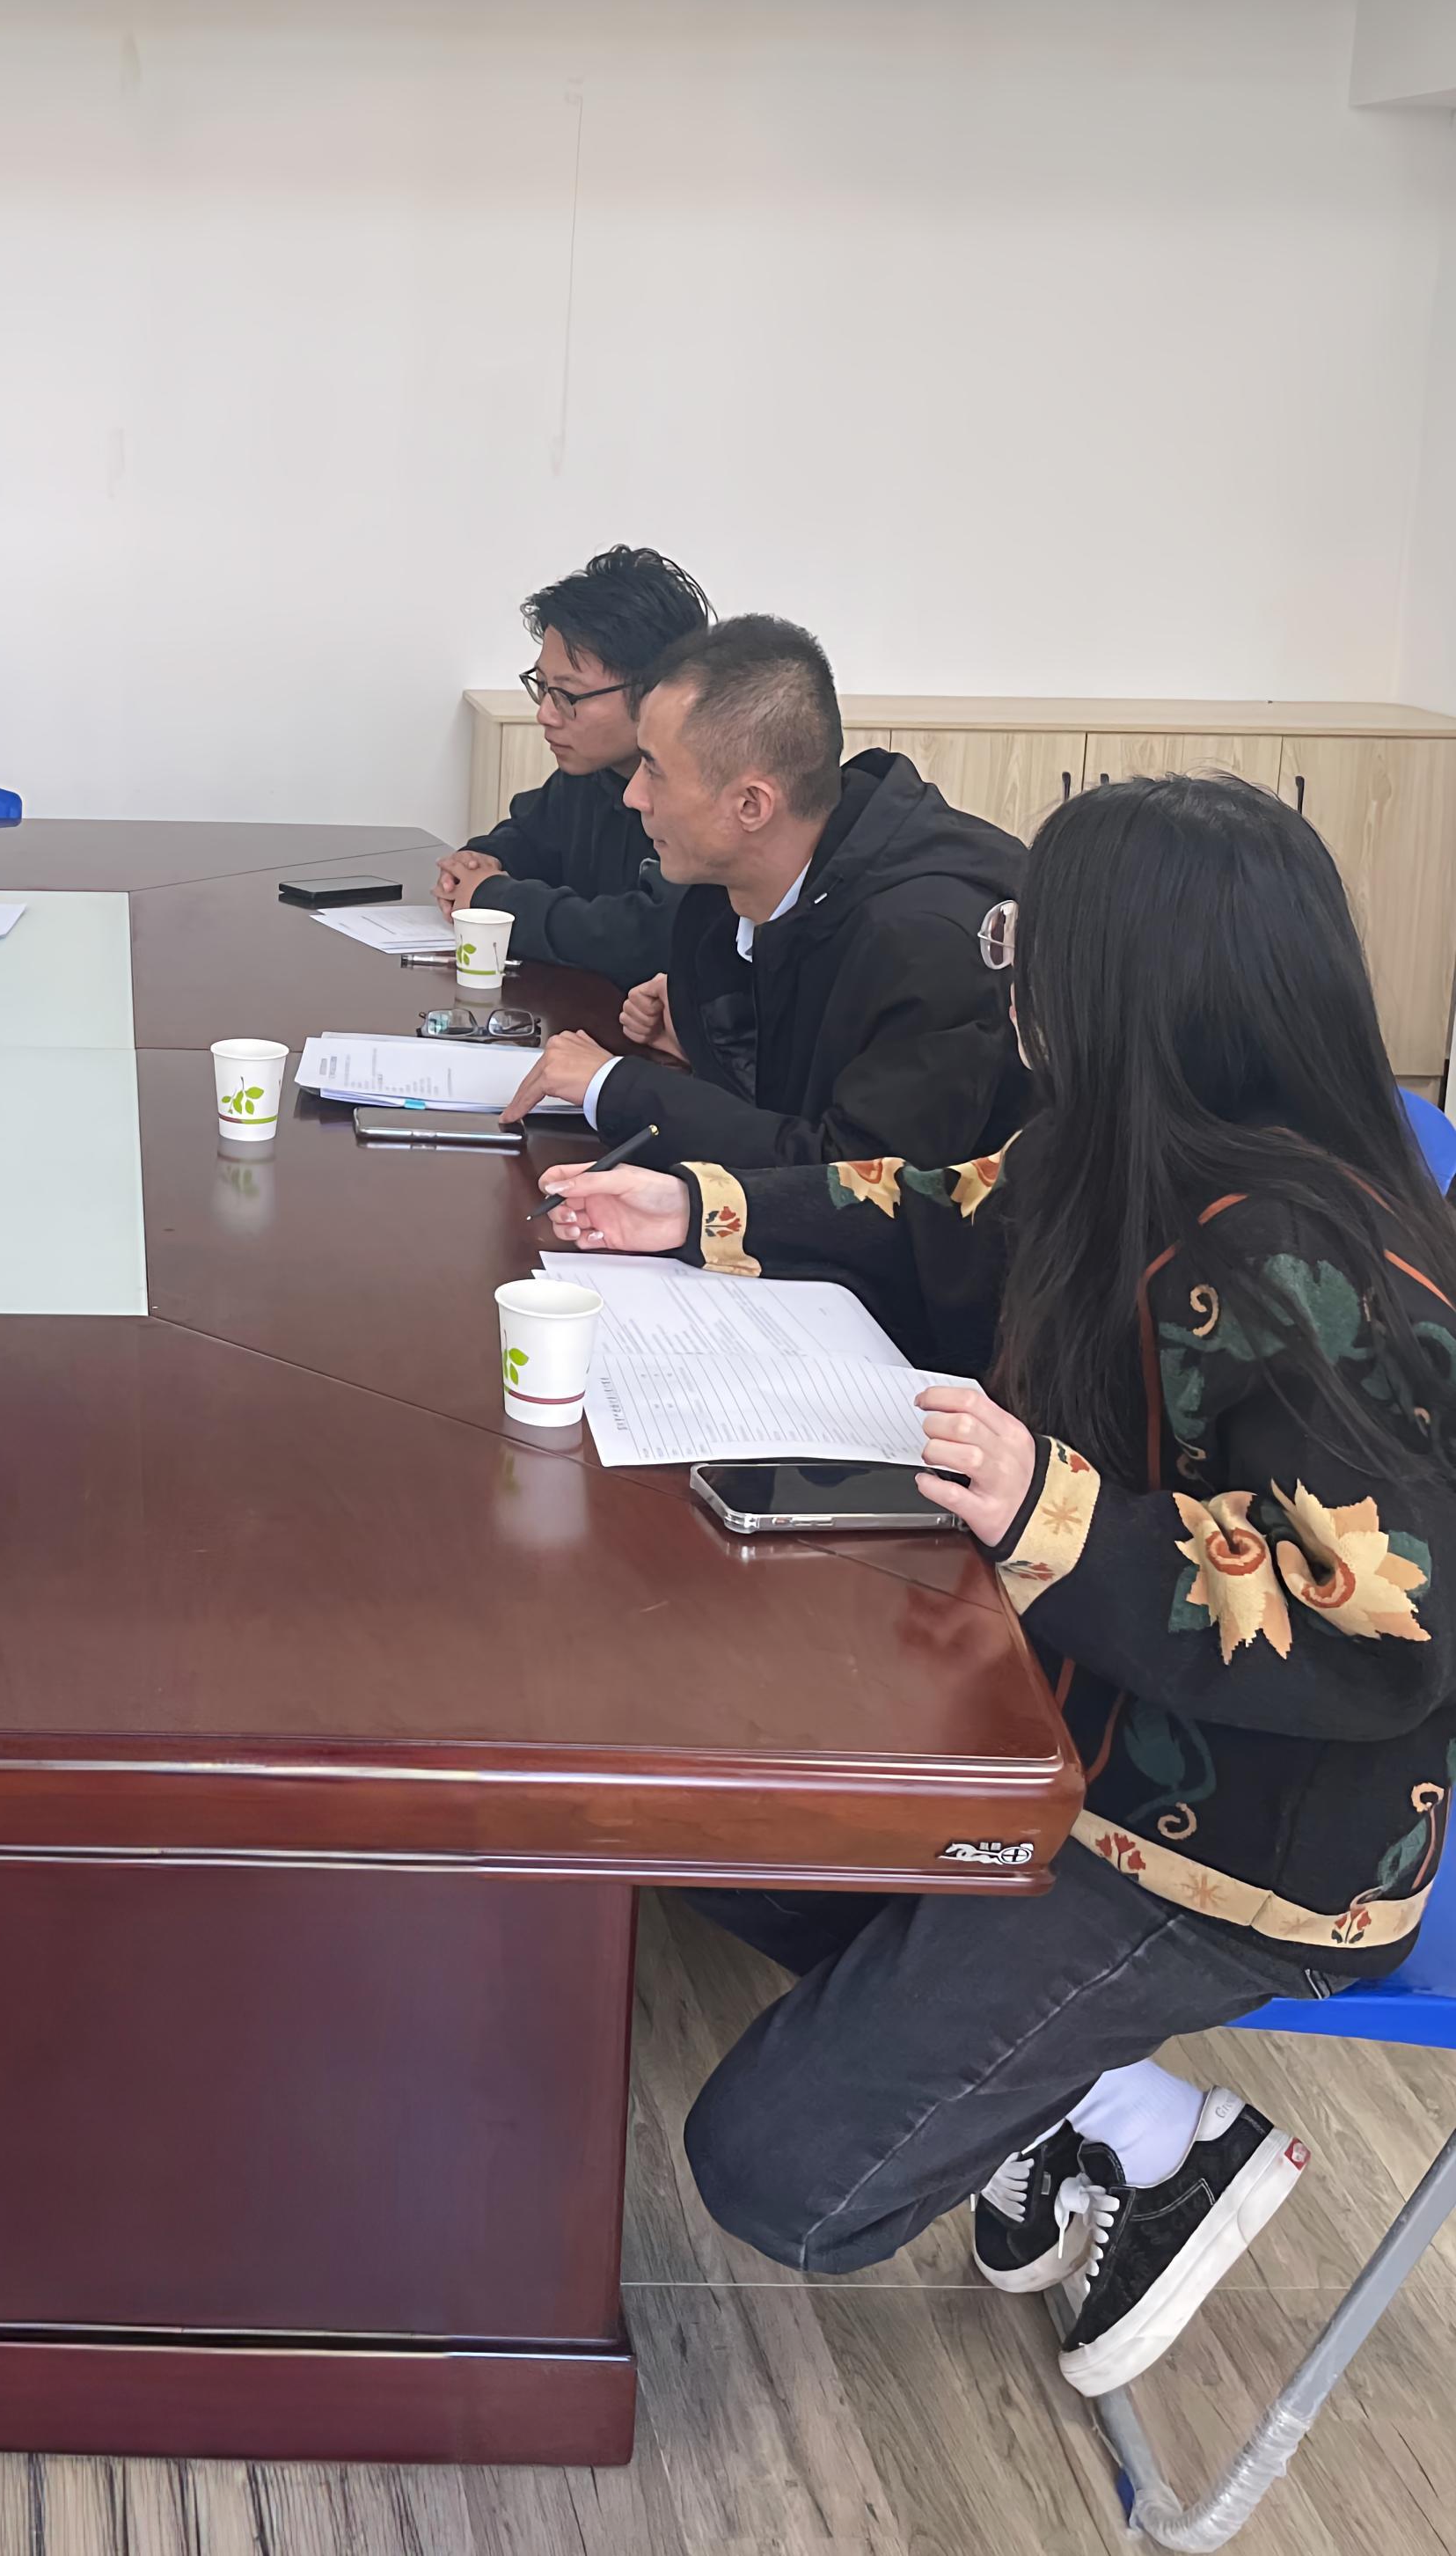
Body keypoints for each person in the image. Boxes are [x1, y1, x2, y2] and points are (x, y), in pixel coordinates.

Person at [533, 773, 1456, 2396]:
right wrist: (699, 1205)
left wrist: (1054, 1511)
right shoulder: (1106, 1141)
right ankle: (1121, 2122)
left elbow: (1376, 1619)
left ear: (1139, 982)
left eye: (1035, 942)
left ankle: (1141, 2135)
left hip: (1234, 1836)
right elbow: (930, 1211)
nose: (1006, 970)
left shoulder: (1310, 1264)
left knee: (774, 2170)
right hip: (1062, 1706)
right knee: (706, 1817)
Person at [502, 614, 1026, 1168]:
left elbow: (856, 1179)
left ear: (752, 805)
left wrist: (615, 1086)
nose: (633, 797)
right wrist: (707, 1040)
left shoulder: (926, 941)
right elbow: (782, 1104)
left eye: (653, 771)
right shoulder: (727, 888)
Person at [434, 545, 711, 984]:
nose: (546, 713)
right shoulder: (591, 772)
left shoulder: (706, 793)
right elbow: (529, 838)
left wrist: (495, 899)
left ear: (656, 691)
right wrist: (477, 862)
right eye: (542, 686)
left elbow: (645, 934)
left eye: (568, 694)